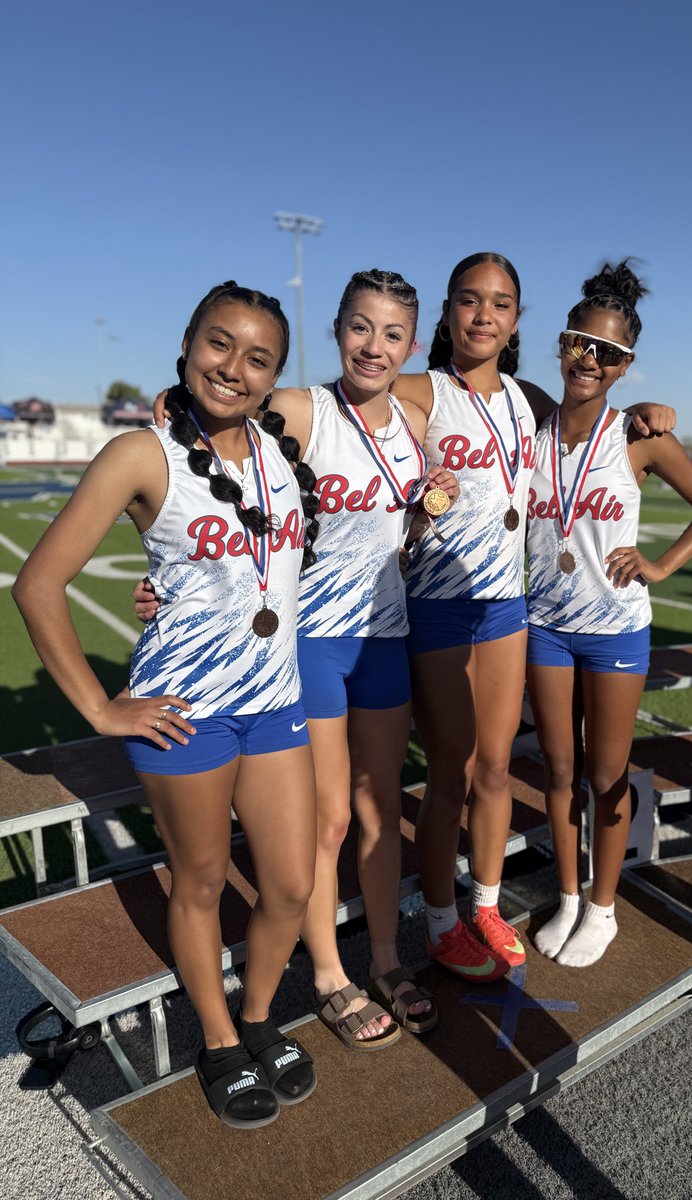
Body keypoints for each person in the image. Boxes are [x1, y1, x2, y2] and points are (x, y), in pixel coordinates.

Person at [13, 283, 320, 1129]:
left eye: (258, 358)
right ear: (187, 344)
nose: (235, 367)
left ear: (274, 377)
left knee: (290, 886)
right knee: (204, 878)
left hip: (274, 702)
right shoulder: (139, 453)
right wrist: (101, 708)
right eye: (219, 344)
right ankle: (217, 1040)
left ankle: (258, 1017)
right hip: (184, 709)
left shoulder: (277, 453)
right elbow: (39, 587)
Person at [142, 270, 457, 1044]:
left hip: (383, 637)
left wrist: (423, 512)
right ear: (338, 329)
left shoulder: (416, 420)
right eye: (359, 327)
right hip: (306, 642)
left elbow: (394, 538)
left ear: (411, 345)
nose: (373, 346)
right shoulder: (299, 409)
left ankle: (384, 956)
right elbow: (189, 436)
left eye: (391, 334)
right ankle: (328, 974)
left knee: (381, 810)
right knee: (331, 816)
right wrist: (167, 581)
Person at [388, 253, 677, 981]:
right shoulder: (416, 389)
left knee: (493, 767)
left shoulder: (531, 403)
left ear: (518, 321)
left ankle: (485, 903)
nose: (484, 314)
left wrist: (652, 416)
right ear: (448, 312)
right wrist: (189, 403)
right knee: (451, 770)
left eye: (501, 303)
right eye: (469, 300)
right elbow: (330, 404)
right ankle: (442, 919)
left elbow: (600, 421)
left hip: (511, 609)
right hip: (440, 606)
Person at [523, 260, 692, 966]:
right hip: (545, 623)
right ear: (561, 344)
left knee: (606, 775)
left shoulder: (639, 434)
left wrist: (662, 564)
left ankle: (605, 908)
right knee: (556, 770)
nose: (590, 359)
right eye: (580, 343)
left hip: (613, 627)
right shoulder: (533, 424)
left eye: (607, 352)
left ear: (625, 366)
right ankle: (571, 896)